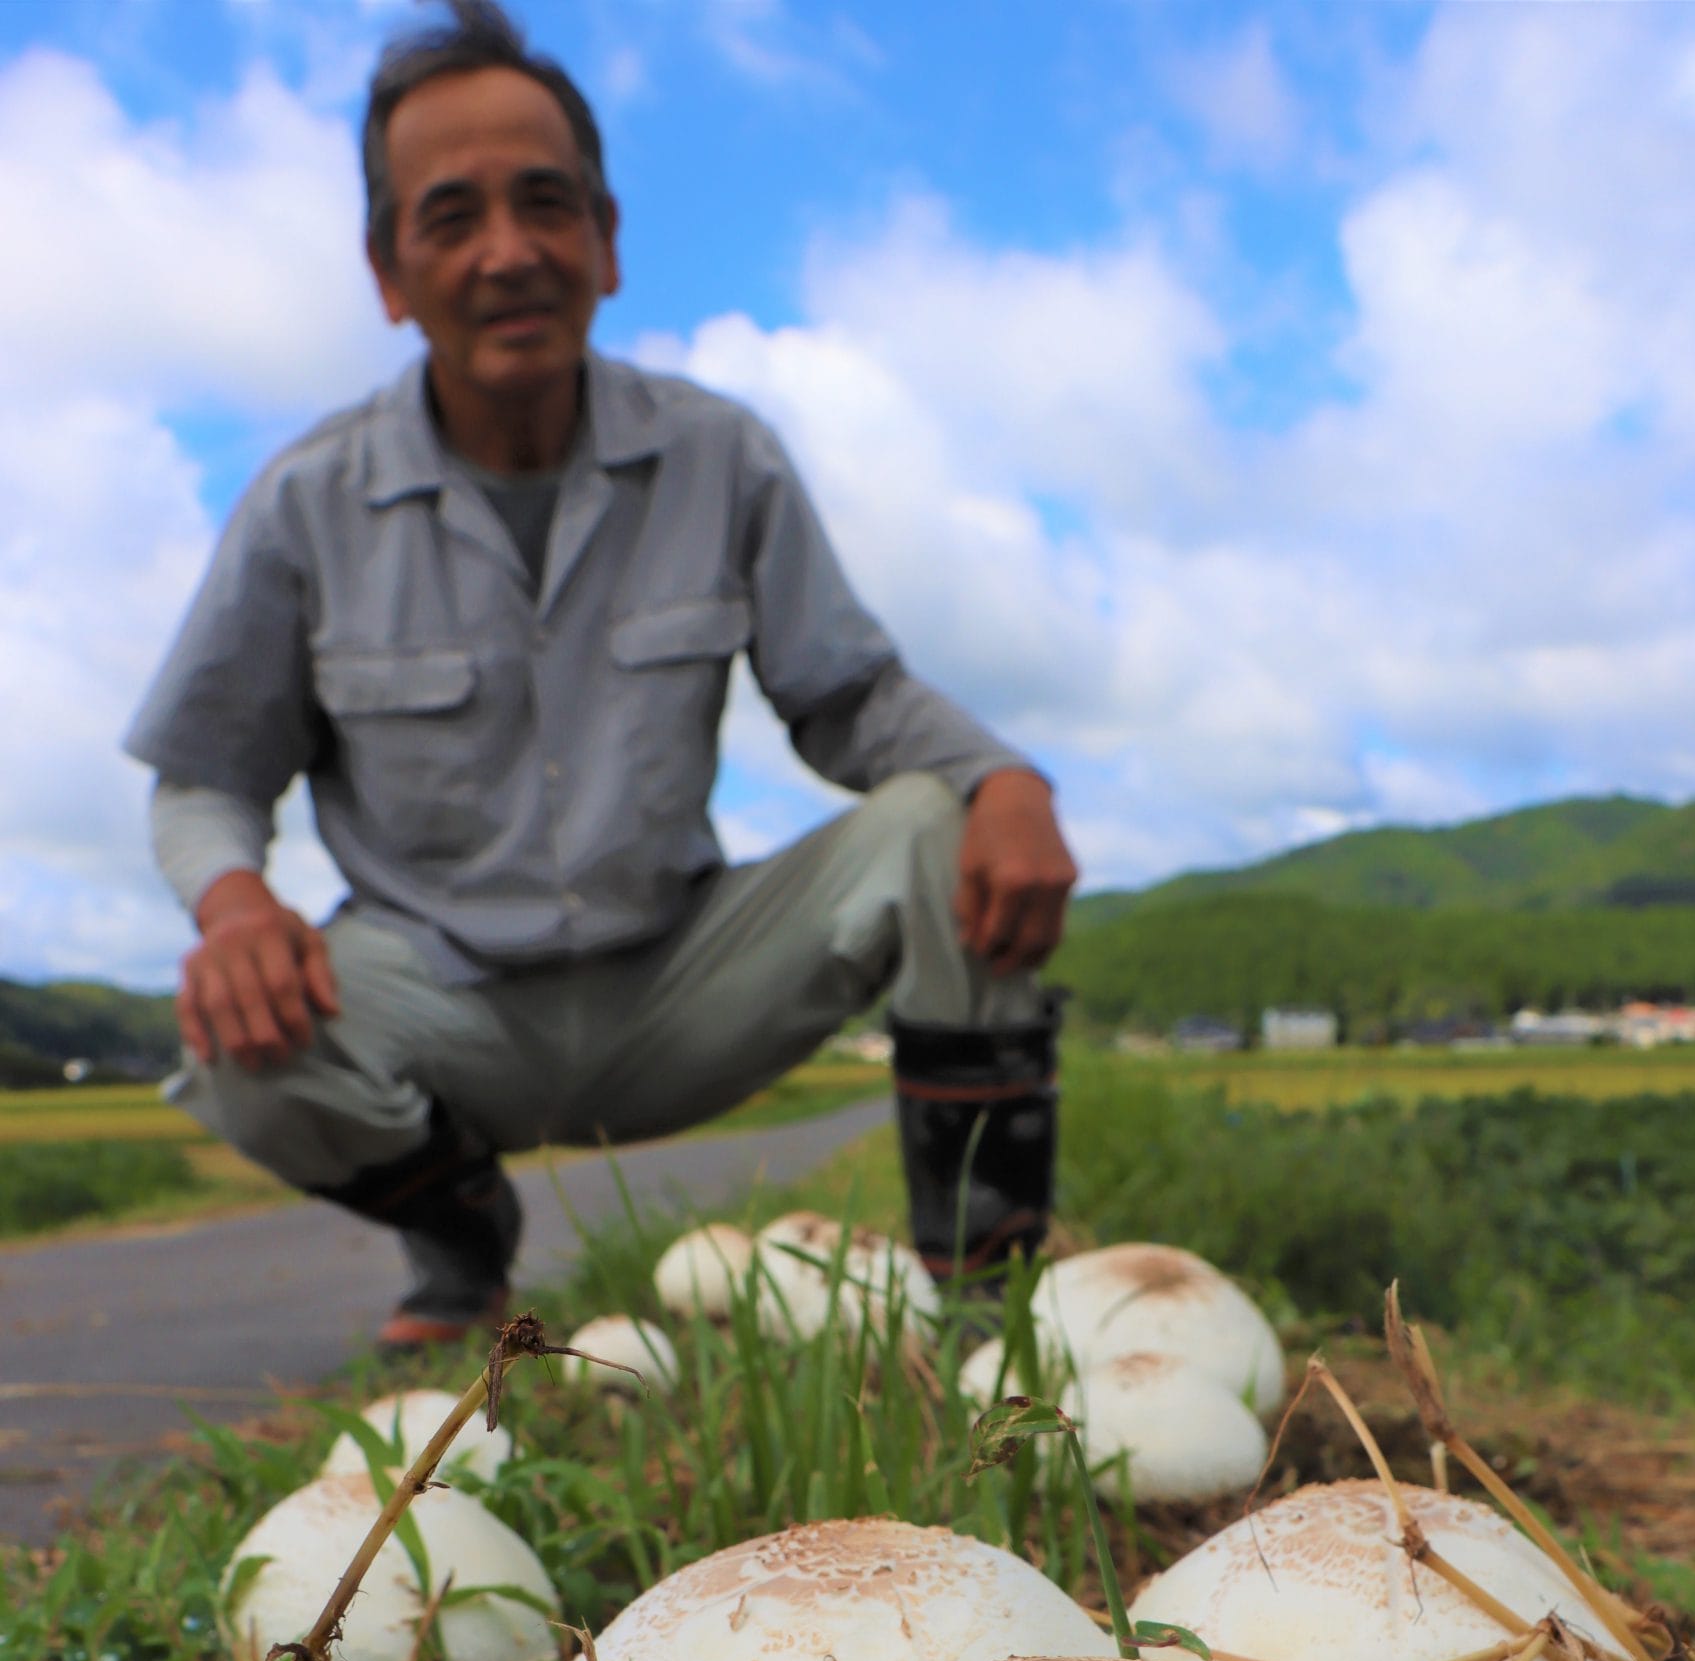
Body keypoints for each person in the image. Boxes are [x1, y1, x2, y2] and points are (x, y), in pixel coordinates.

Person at [126, 0, 1078, 1347]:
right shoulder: (304, 505)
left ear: (608, 241)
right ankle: (465, 1249)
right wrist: (233, 906)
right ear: (390, 271)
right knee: (244, 1031)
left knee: (942, 820)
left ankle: (989, 1319)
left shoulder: (720, 457)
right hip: (443, 1004)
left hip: (681, 981)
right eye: (451, 216)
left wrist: (1007, 776)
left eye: (546, 203)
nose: (508, 252)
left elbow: (849, 700)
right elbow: (204, 779)